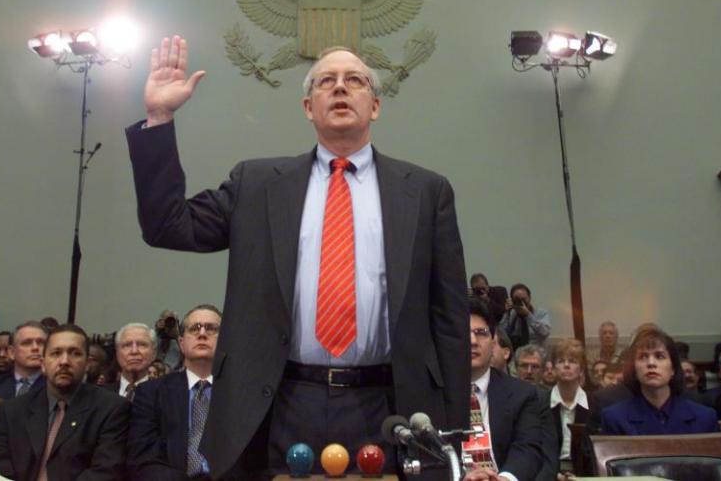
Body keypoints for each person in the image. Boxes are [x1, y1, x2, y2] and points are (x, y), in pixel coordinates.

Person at [126, 37, 468, 477]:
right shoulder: (257, 184)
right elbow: (168, 226)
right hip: (279, 401)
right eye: (327, 81)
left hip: (390, 403)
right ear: (308, 107)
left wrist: (455, 427)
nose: (341, 88)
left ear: (376, 106)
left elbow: (449, 315)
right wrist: (160, 117)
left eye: (355, 80)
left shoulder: (424, 191)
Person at [0, 323, 130, 480]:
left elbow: (105, 472)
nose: (64, 361)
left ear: (87, 364)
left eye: (75, 353)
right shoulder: (12, 410)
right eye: (56, 353)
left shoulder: (110, 409)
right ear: (42, 363)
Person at [129, 304, 222, 479]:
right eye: (194, 329)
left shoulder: (241, 395)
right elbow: (143, 459)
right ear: (181, 343)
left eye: (211, 328)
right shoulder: (151, 393)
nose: (202, 334)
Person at [464, 299, 543, 481]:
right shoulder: (432, 394)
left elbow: (527, 448)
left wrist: (506, 479)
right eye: (464, 332)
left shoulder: (522, 394)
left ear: (493, 344)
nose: (473, 341)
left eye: (481, 333)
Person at [601, 326, 719, 435]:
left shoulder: (704, 417)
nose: (651, 363)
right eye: (643, 357)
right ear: (634, 370)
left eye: (660, 356)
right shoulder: (615, 418)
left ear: (673, 369)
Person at [546, 339, 590, 480]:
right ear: (552, 368)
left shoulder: (595, 405)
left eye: (572, 361)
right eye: (560, 361)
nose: (566, 365)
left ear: (581, 369)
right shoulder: (540, 403)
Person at [0, 321, 46, 400]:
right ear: (12, 352)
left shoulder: (56, 387)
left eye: (41, 343)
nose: (35, 347)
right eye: (27, 343)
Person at [110, 323, 157, 400]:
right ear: (117, 353)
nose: (134, 351)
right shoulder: (100, 396)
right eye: (127, 345)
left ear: (154, 353)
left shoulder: (166, 395)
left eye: (142, 345)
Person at [499, 283, 550, 349]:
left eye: (523, 299)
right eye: (517, 300)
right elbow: (502, 335)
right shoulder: (511, 314)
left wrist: (528, 315)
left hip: (536, 355)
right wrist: (506, 313)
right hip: (515, 355)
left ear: (529, 298)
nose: (521, 302)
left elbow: (545, 332)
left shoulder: (541, 313)